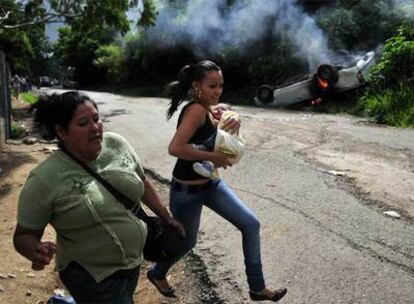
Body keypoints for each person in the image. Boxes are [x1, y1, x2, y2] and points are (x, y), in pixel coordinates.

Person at [13, 91, 184, 304]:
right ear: (61, 131)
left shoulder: (116, 144)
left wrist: (165, 216)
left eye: (96, 119)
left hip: (131, 264)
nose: (95, 127)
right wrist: (35, 251)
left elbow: (142, 181)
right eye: (83, 123)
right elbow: (23, 235)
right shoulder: (44, 180)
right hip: (91, 275)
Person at [146, 60, 287, 302]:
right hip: (186, 191)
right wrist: (212, 157)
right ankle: (157, 273)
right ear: (196, 86)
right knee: (187, 242)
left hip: (210, 184)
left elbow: (224, 115)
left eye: (220, 85)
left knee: (251, 224)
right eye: (212, 86)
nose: (218, 91)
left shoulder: (209, 107)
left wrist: (234, 118)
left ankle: (257, 287)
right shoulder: (196, 110)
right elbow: (175, 148)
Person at [192, 103, 245, 179]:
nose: (219, 110)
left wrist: (235, 116)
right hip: (227, 153)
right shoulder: (209, 119)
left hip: (233, 147)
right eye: (216, 109)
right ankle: (209, 167)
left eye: (223, 109)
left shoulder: (228, 120)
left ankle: (209, 166)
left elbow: (231, 116)